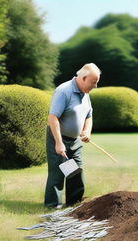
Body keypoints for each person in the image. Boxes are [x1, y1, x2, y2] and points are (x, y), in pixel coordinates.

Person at [44, 63, 101, 208]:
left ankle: (74, 204)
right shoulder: (64, 91)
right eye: (93, 82)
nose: (95, 86)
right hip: (58, 137)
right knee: (57, 173)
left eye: (97, 82)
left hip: (75, 141)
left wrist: (87, 131)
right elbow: (53, 118)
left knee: (76, 171)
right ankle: (52, 206)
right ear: (83, 78)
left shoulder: (85, 94)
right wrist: (58, 142)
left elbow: (89, 115)